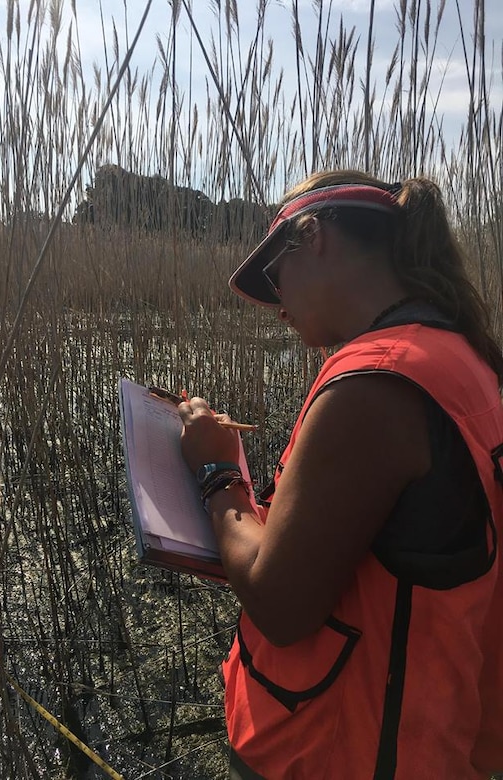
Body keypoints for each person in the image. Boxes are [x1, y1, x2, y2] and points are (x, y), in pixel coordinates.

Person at [177, 170, 503, 779]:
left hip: (340, 751)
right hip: (425, 739)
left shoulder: (377, 384)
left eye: (275, 278)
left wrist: (216, 470)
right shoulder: (461, 356)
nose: (276, 308)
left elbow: (280, 603)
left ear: (316, 236)